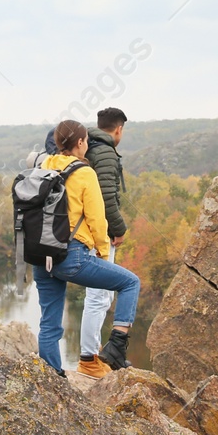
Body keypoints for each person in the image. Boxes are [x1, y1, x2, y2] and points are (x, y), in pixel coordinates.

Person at [32, 119, 141, 376]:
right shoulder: (84, 173)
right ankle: (116, 346)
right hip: (72, 257)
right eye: (86, 142)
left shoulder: (43, 166)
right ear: (80, 143)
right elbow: (96, 219)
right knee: (130, 283)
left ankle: (52, 378)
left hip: (41, 256)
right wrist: (103, 255)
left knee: (49, 324)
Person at [76, 108, 130, 377]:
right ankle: (90, 358)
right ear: (118, 129)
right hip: (98, 234)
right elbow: (107, 197)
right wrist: (118, 229)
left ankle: (93, 353)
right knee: (99, 296)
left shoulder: (88, 147)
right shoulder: (106, 152)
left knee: (100, 296)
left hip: (81, 232)